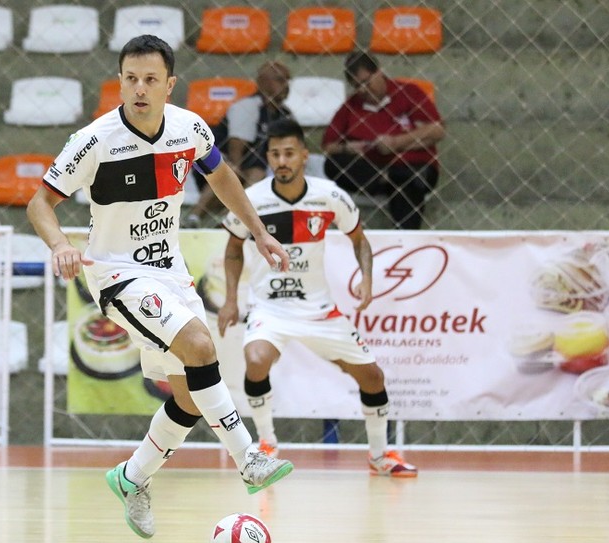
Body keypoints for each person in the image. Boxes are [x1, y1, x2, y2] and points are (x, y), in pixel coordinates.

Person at [26, 35, 295, 539]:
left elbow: (223, 178)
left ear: (170, 85)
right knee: (200, 345)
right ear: (120, 81)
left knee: (192, 395)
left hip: (168, 270)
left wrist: (259, 232)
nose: (140, 89)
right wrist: (60, 243)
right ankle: (248, 458)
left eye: (151, 79)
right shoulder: (95, 140)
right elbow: (39, 204)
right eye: (131, 79)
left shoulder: (189, 127)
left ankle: (132, 478)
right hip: (115, 272)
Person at [218, 117, 417, 478]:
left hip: (319, 310)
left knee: (373, 377)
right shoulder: (252, 200)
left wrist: (367, 279)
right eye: (275, 154)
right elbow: (233, 249)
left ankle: (380, 455)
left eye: (289, 153)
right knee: (256, 357)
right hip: (270, 307)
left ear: (304, 156)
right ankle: (266, 445)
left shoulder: (330, 196)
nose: (282, 161)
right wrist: (231, 299)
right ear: (268, 157)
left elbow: (360, 241)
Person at [321, 50, 444, 230]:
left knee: (409, 182)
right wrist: (347, 147)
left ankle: (404, 240)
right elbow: (328, 146)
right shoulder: (350, 106)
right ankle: (388, 179)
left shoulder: (408, 92)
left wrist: (396, 143)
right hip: (373, 173)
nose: (363, 90)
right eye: (357, 86)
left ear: (379, 72)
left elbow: (437, 130)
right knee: (333, 164)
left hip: (413, 167)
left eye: (366, 82)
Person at [185, 60, 294, 227]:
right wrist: (236, 173)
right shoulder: (248, 106)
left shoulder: (285, 114)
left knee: (257, 174)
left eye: (287, 80)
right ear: (263, 82)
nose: (286, 85)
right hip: (214, 159)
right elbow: (236, 145)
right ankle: (194, 216)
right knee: (229, 170)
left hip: (251, 165)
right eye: (280, 80)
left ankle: (229, 219)